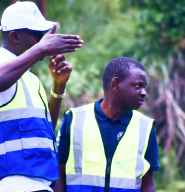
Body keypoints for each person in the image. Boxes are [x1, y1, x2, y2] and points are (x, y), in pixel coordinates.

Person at [0, 1, 84, 192]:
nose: (44, 41)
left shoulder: (30, 78)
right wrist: (41, 49)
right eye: (38, 35)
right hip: (9, 184)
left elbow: (45, 130)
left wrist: (58, 88)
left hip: (37, 183)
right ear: (14, 36)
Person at [54, 57, 159, 192]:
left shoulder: (146, 126)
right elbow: (58, 172)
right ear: (115, 84)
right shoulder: (74, 119)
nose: (144, 93)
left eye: (144, 87)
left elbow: (148, 183)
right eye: (137, 86)